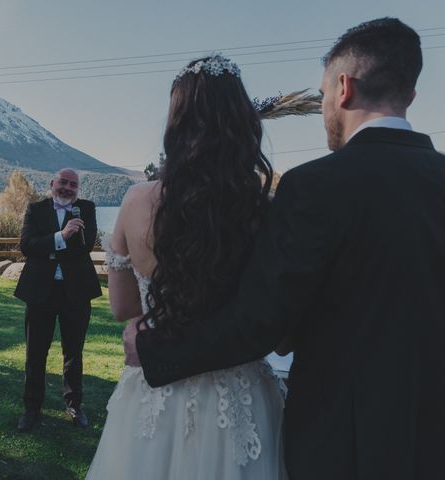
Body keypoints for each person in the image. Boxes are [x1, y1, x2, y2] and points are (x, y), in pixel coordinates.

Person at [127, 18, 445, 480]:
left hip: (344, 438)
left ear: (343, 88)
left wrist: (153, 350)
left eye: (321, 97)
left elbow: (260, 323)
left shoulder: (317, 186)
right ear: (410, 95)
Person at [86, 55, 287, 479]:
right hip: (241, 394)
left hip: (155, 384)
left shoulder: (136, 201)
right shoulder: (263, 209)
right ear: (242, 120)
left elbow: (123, 309)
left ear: (175, 120)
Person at [15, 169, 102, 432]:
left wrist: (49, 247)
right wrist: (60, 237)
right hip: (41, 290)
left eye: (73, 185)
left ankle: (74, 405)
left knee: (73, 352)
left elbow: (85, 246)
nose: (67, 188)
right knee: (35, 352)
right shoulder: (36, 209)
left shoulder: (86, 208)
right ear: (52, 184)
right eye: (63, 183)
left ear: (78, 189)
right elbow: (27, 245)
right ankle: (32, 409)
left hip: (76, 291)